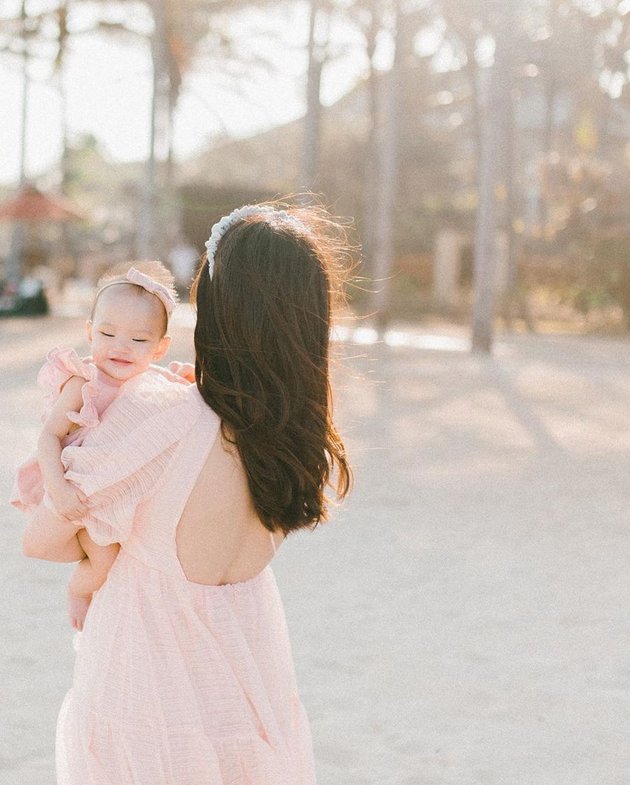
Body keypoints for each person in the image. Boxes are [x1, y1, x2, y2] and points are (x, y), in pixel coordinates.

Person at [22, 202, 352, 785]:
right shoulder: (295, 438)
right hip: (247, 695)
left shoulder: (159, 416)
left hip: (144, 698)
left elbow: (41, 542)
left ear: (220, 307)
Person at [14, 260, 184, 630]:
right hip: (68, 481)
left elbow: (169, 407)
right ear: (90, 333)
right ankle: (78, 583)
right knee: (62, 549)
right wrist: (57, 490)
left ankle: (83, 585)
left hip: (110, 496)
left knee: (107, 562)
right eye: (108, 334)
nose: (121, 348)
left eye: (138, 340)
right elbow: (49, 436)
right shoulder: (84, 382)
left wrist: (179, 378)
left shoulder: (151, 382)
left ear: (159, 348)